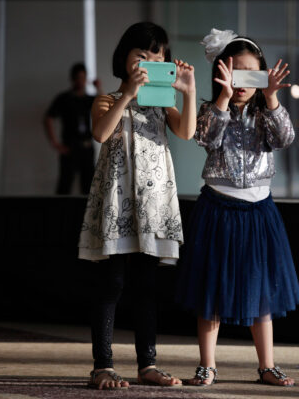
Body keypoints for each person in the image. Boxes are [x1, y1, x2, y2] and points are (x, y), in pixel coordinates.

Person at [175, 29, 299, 387]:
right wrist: (223, 100)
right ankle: (208, 365)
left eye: (251, 73)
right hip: (217, 208)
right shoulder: (210, 110)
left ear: (262, 75)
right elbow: (204, 137)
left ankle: (266, 365)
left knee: (261, 289)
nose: (242, 82)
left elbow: (285, 138)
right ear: (221, 72)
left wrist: (273, 98)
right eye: (235, 72)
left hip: (260, 210)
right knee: (210, 291)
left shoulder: (266, 112)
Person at [78, 22, 196, 390]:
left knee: (147, 286)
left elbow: (188, 133)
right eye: (140, 55)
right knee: (111, 283)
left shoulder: (163, 106)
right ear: (125, 58)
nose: (146, 62)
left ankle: (148, 364)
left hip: (153, 204)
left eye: (155, 57)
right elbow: (100, 133)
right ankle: (103, 366)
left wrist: (189, 93)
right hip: (117, 203)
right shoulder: (108, 99)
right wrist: (127, 94)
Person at [44, 63, 102, 195]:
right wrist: (55, 143)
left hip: (87, 147)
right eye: (78, 78)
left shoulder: (89, 99)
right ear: (72, 79)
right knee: (65, 185)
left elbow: (106, 107)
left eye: (83, 77)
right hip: (70, 147)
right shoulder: (64, 98)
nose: (80, 81)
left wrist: (99, 88)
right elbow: (48, 118)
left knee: (88, 187)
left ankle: (87, 215)